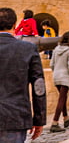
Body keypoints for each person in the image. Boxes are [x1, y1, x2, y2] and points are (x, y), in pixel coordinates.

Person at [0, 8, 46, 142]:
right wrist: (39, 119)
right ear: (14, 25)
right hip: (15, 116)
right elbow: (38, 87)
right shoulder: (28, 49)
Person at [50, 31, 69, 133]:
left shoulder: (56, 49)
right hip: (65, 76)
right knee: (61, 99)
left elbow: (52, 64)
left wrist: (56, 72)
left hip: (56, 75)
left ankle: (66, 117)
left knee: (63, 97)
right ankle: (55, 122)